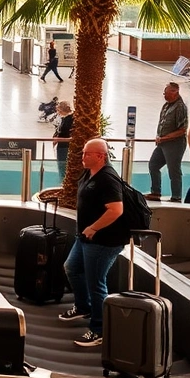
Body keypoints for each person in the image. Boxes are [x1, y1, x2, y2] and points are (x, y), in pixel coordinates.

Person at [58, 138, 127, 347]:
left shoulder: (108, 179)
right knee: (72, 268)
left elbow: (116, 210)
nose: (83, 156)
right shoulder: (88, 172)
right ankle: (83, 306)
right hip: (86, 237)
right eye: (83, 153)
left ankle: (99, 330)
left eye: (87, 153)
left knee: (96, 283)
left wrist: (94, 227)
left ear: (100, 156)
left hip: (103, 241)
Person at [147, 82, 188, 202]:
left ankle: (176, 196)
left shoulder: (180, 107)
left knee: (173, 169)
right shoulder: (166, 106)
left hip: (175, 144)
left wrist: (165, 138)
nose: (164, 94)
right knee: (153, 164)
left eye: (166, 92)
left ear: (175, 92)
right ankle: (155, 192)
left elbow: (182, 129)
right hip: (162, 143)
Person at [52, 100, 74, 182]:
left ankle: (64, 183)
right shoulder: (66, 118)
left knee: (63, 167)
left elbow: (65, 132)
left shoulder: (69, 119)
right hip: (63, 146)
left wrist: (57, 138)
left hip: (64, 147)